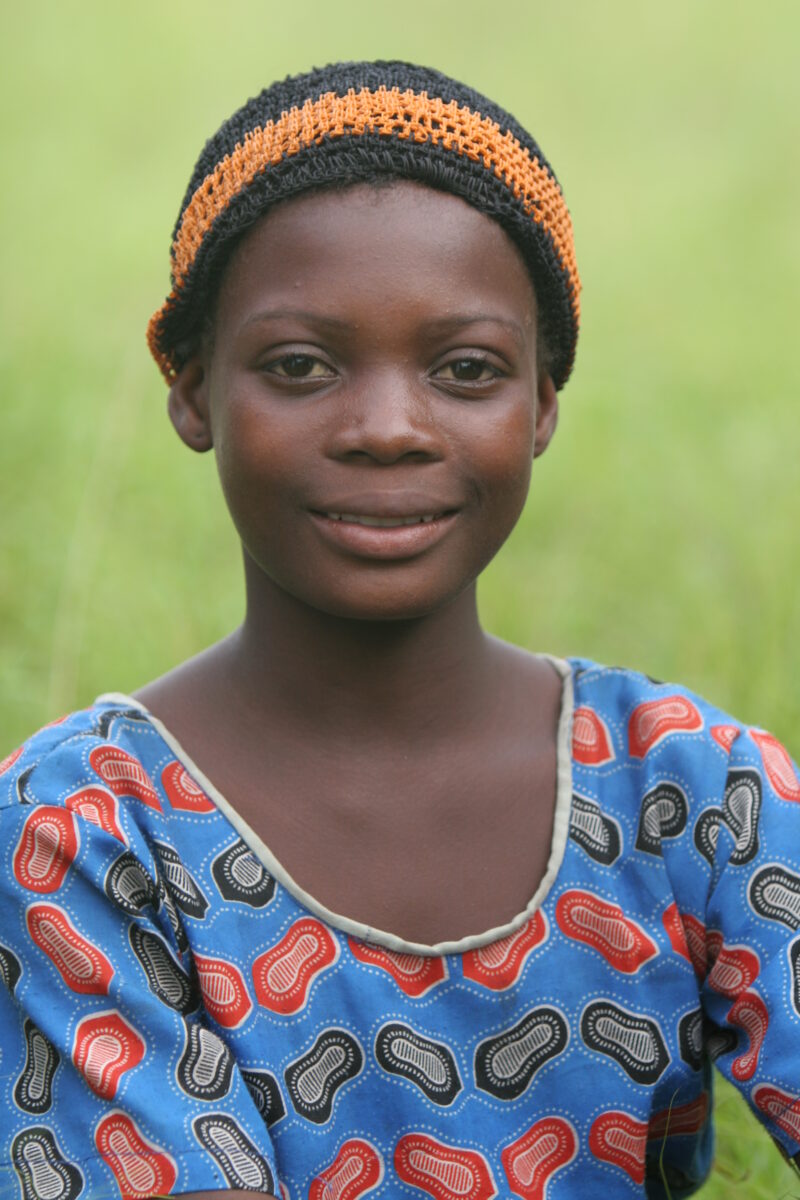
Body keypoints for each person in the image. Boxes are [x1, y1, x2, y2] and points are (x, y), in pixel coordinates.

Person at [1, 60, 798, 1200]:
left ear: (540, 407)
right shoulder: (83, 833)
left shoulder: (692, 789)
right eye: (299, 367)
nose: (386, 428)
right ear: (188, 388)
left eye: (464, 370)